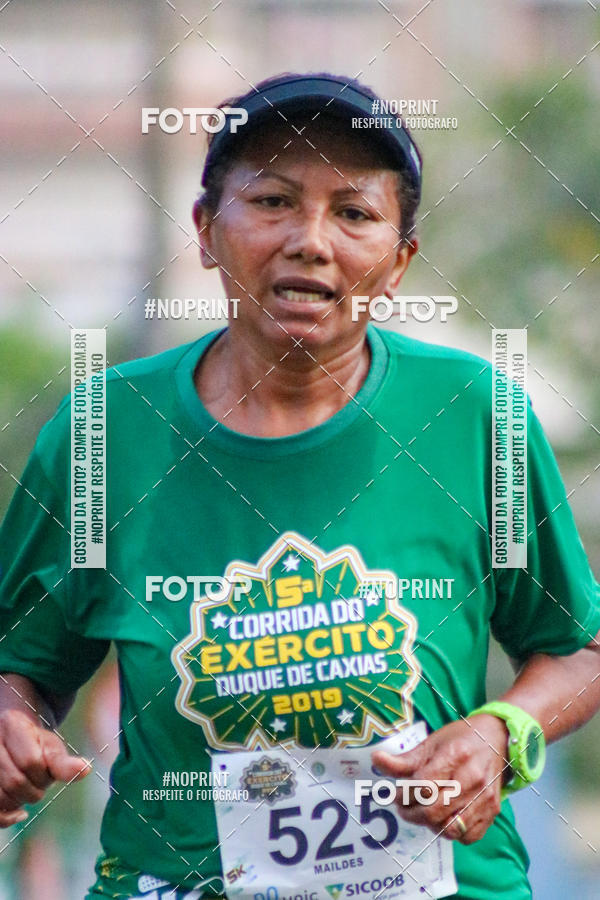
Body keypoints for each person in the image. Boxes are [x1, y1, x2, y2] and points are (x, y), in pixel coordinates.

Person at [0, 72, 599, 900]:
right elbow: (21, 664)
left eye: (353, 213)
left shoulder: (476, 416)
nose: (311, 241)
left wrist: (505, 733)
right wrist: (12, 722)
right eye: (274, 200)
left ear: (398, 262)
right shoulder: (104, 433)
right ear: (207, 230)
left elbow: (578, 648)